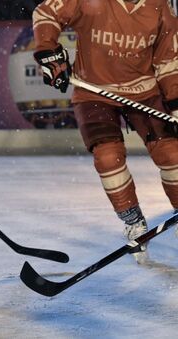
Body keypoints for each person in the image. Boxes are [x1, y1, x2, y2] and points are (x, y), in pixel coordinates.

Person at [32, 0, 178, 263]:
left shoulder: (161, 6)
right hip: (92, 91)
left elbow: (168, 59)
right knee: (108, 157)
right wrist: (48, 50)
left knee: (172, 154)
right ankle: (132, 219)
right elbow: (46, 12)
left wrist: (176, 101)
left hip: (144, 90)